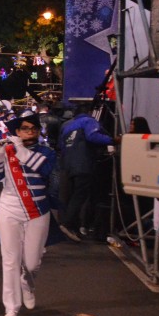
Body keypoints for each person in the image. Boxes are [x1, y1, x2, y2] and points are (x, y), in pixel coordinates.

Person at [0, 111, 56, 316]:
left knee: (32, 263)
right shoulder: (7, 150)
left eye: (33, 129)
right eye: (25, 128)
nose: (30, 132)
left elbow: (45, 169)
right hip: (9, 208)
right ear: (17, 131)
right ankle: (11, 307)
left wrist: (20, 149)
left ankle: (28, 283)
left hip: (37, 209)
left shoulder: (46, 152)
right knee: (10, 260)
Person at [58, 102, 115, 241]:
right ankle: (67, 223)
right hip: (83, 164)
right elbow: (93, 136)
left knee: (71, 195)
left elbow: (61, 146)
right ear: (90, 112)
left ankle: (72, 227)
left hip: (68, 165)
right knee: (80, 196)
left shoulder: (67, 126)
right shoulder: (89, 121)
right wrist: (113, 140)